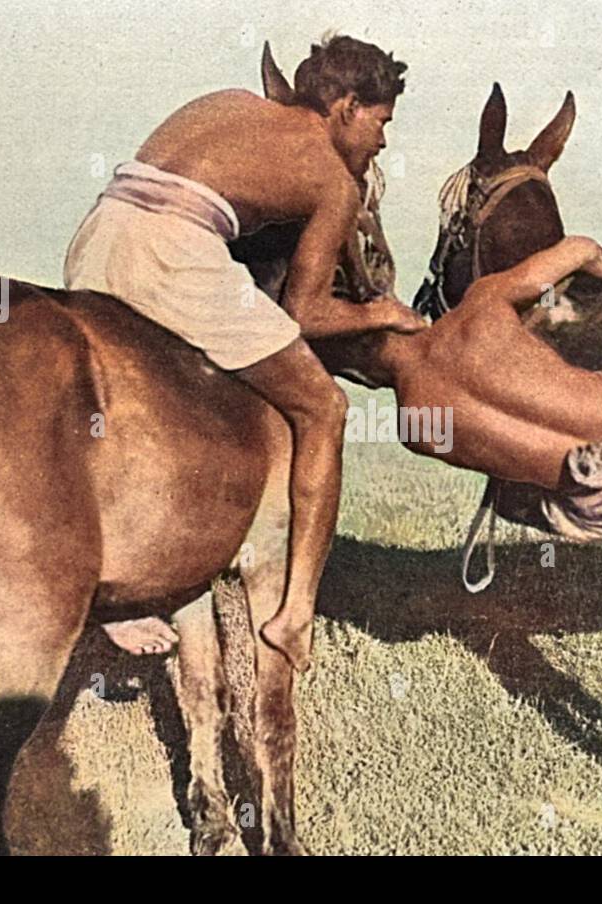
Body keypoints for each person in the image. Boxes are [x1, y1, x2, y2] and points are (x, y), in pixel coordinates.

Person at [63, 35, 424, 670]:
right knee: (324, 408)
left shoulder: (226, 102)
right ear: (344, 105)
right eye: (381, 121)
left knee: (132, 410)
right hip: (170, 253)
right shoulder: (334, 183)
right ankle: (297, 612)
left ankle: (114, 596)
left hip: (97, 236)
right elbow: (304, 313)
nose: (383, 142)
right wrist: (379, 312)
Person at [375, 238, 602, 543]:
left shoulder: (415, 425)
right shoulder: (481, 305)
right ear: (400, 316)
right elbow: (583, 249)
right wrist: (600, 264)